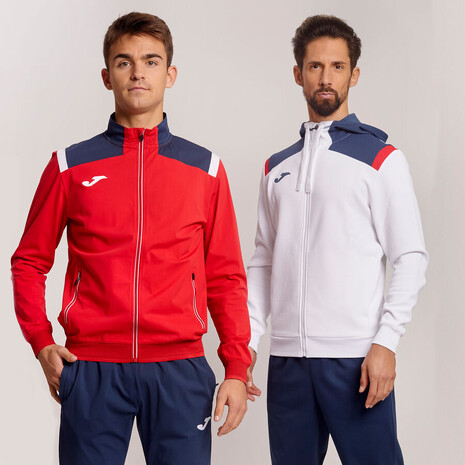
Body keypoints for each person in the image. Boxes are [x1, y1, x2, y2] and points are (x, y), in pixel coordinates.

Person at [11, 12, 250, 465]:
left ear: (170, 74)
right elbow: (29, 261)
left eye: (151, 61)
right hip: (92, 368)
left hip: (179, 369)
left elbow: (225, 277)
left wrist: (237, 367)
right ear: (107, 76)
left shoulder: (205, 170)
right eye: (124, 62)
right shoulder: (69, 166)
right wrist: (41, 342)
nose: (138, 72)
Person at [246, 15, 428, 465]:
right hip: (287, 361)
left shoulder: (381, 159)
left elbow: (410, 256)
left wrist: (385, 343)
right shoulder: (275, 168)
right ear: (298, 74)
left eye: (337, 67)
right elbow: (264, 262)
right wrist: (246, 342)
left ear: (354, 75)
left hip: (356, 360)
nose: (326, 78)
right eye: (315, 66)